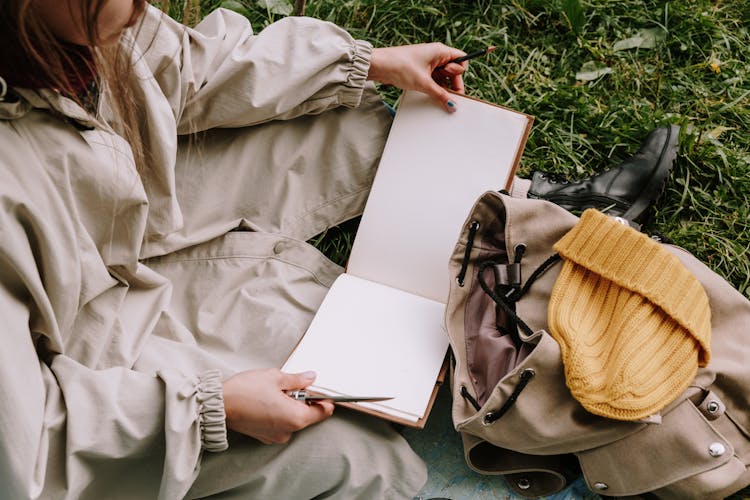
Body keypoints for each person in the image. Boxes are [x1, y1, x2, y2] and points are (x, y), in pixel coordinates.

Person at [0, 1, 675, 499]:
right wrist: (211, 406)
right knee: (348, 449)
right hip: (70, 339)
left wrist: (368, 65)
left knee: (349, 122)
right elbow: (26, 443)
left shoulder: (86, 25)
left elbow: (189, 69)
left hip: (114, 205)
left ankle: (520, 209)